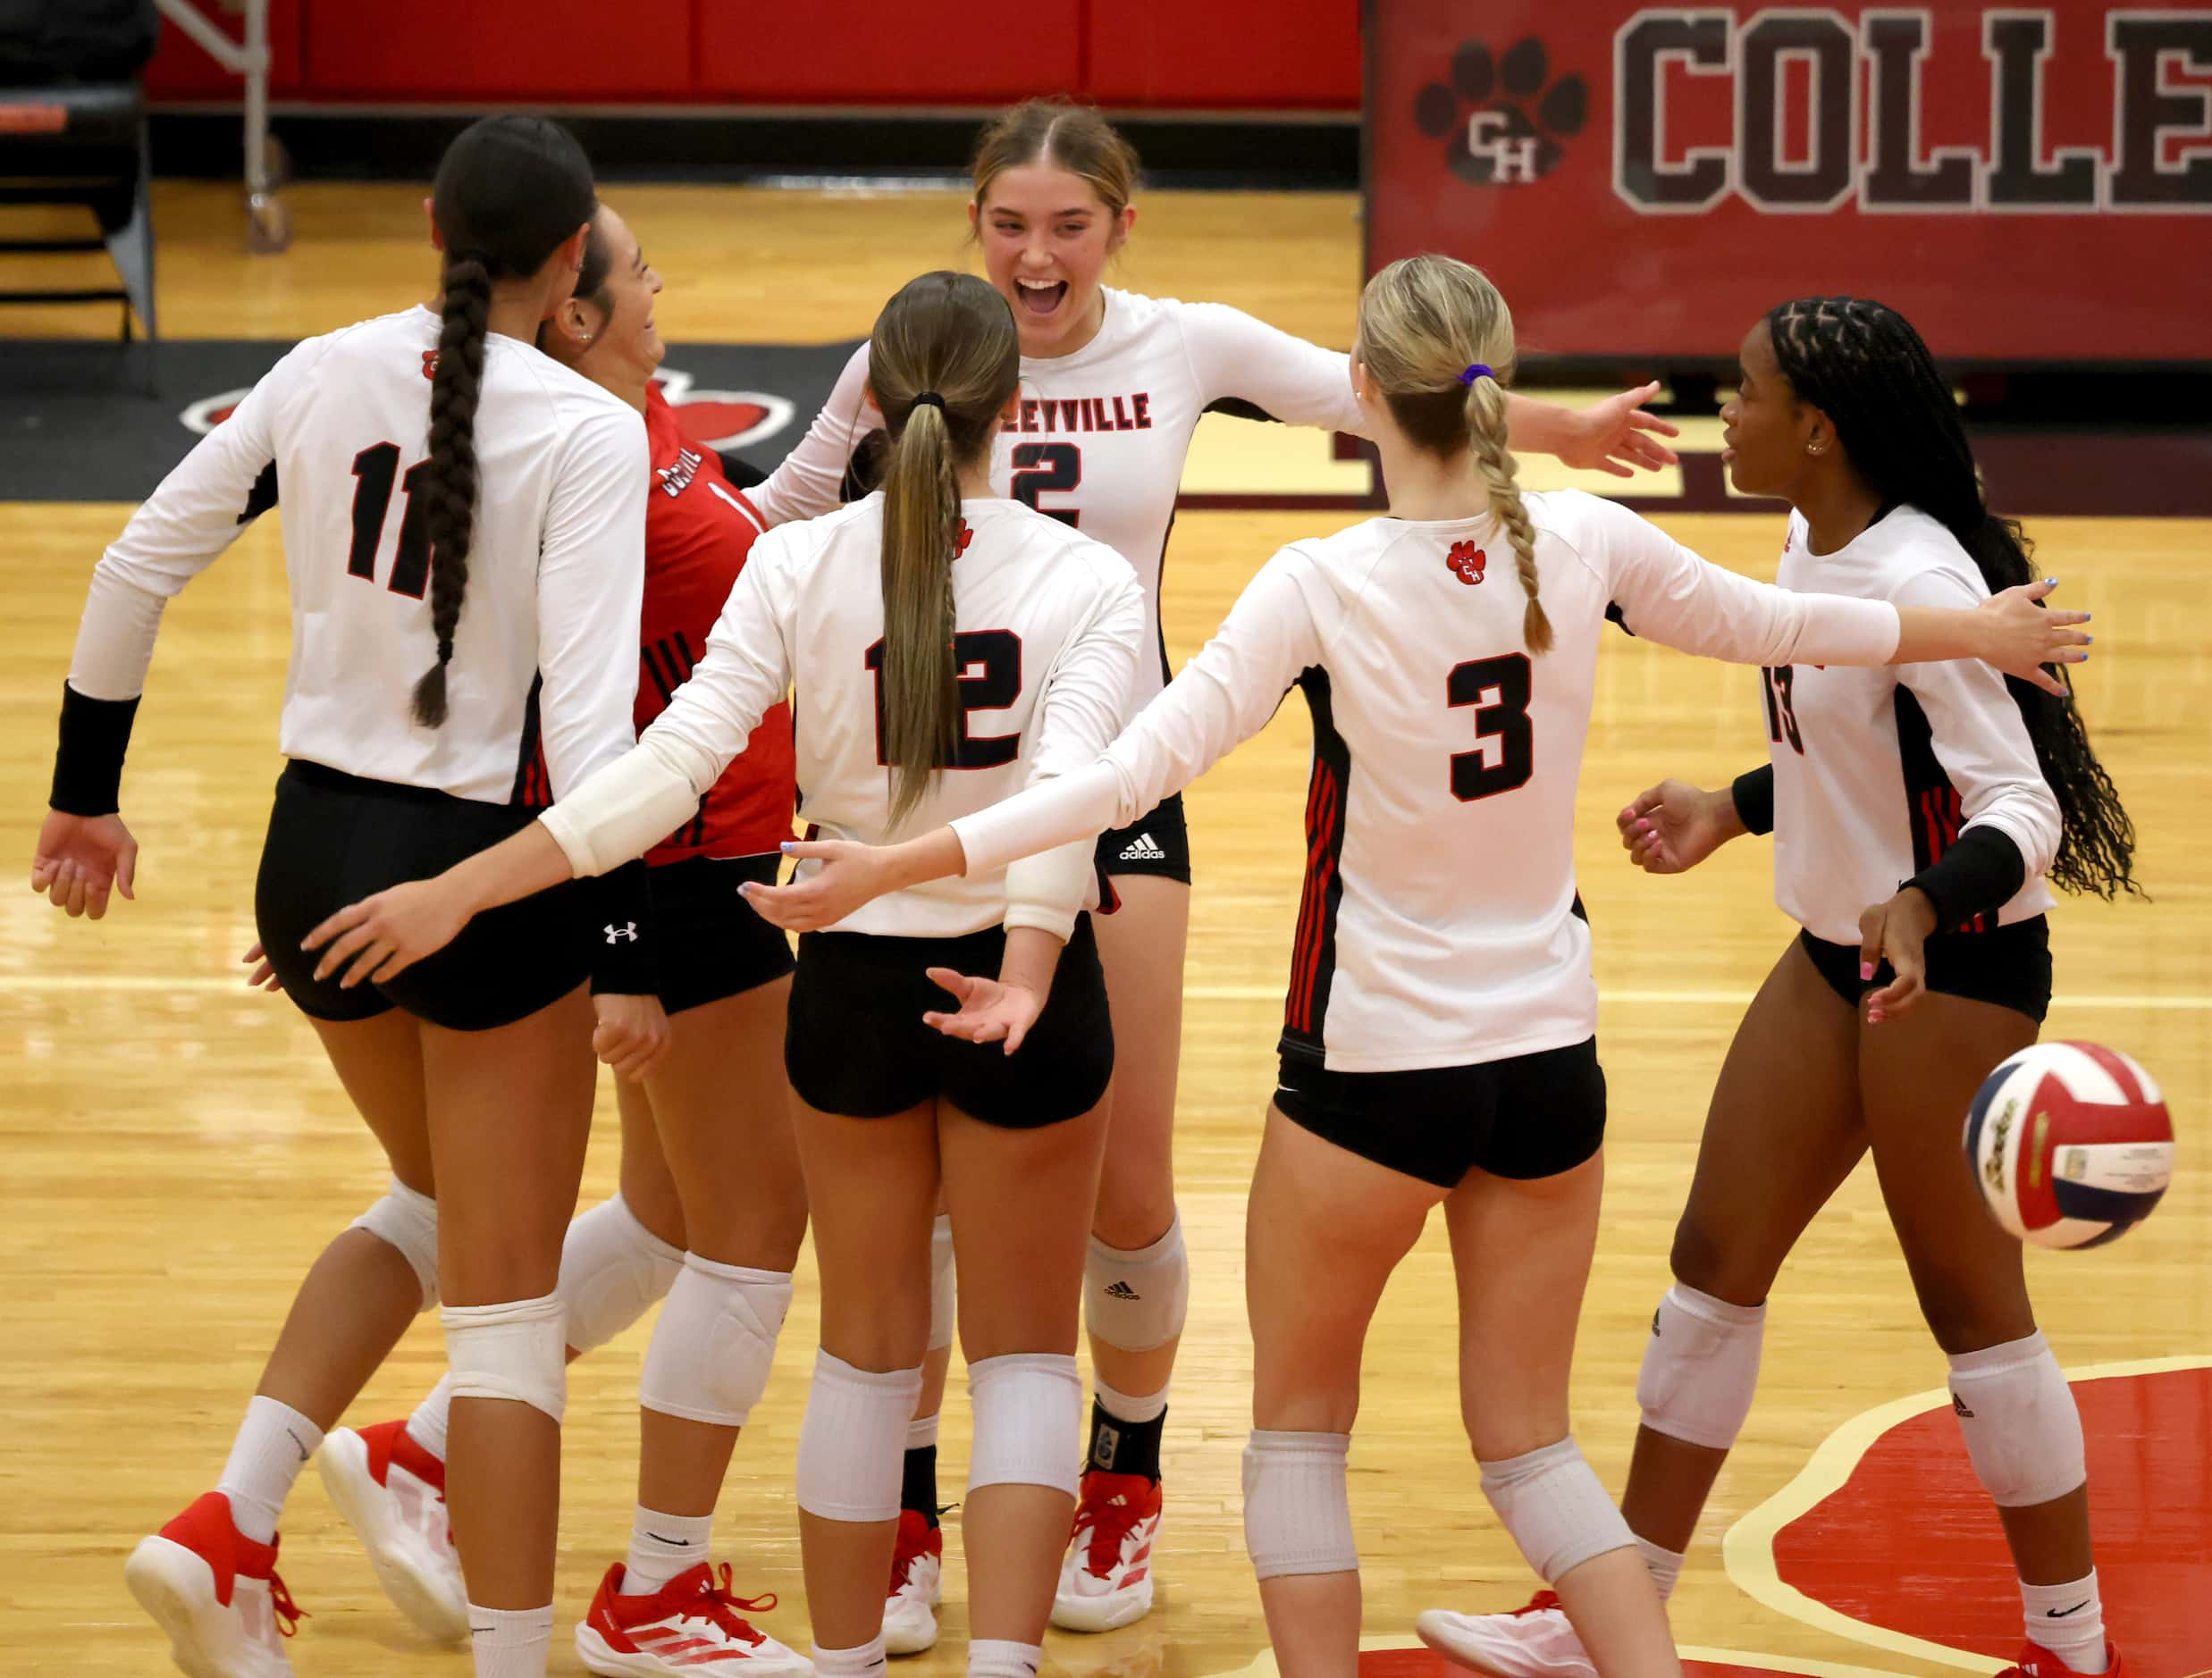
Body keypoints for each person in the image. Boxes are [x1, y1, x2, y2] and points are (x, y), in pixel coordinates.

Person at [733, 256, 2090, 1678]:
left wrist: (896, 863)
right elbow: (1789, 625)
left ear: (1363, 394)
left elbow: (1123, 773)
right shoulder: (1582, 539)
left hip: (1370, 1070)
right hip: (1547, 1066)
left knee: (1297, 1437)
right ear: (1492, 382)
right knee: (1533, 1447)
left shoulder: (1315, 581)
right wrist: (1975, 625)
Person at [744, 94, 1685, 1637]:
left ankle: (1124, 1469)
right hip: (908, 799)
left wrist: (1561, 430)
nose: (1034, 254)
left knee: (1117, 1173)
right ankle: (907, 1507)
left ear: (1122, 226)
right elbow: (780, 520)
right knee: (904, 1208)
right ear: (971, 228)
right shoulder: (906, 356)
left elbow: (1398, 391)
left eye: (1066, 224)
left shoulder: (1181, 344)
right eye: (1006, 224)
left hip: (1118, 775)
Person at [299, 270, 1148, 1678]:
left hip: (847, 999)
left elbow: (656, 775)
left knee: (864, 1356)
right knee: (1019, 1366)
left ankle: (842, 1663)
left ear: (871, 398)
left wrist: (465, 882)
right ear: (1018, 406)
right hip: (1021, 993)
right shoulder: (1089, 578)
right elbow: (1067, 800)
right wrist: (1024, 967)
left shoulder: (796, 562)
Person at [1416, 297, 2139, 1678]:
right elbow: (1846, 741)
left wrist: (1925, 904)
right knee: (1709, 1268)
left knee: (1971, 1309)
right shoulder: (1818, 534)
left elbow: (2017, 803)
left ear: (1813, 427)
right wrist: (1731, 808)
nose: (1719, 412)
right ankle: (1606, 1616)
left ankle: (2070, 1643)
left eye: (1739, 393)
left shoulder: (1917, 569)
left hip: (1956, 968)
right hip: (1836, 953)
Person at [31, 116, 666, 1678]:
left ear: (429, 230)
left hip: (310, 855)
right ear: (573, 263)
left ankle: (229, 1528)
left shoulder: (321, 364)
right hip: (477, 879)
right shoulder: (588, 435)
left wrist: (84, 796)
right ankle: (510, 1658)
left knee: (441, 1210)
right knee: (509, 1323)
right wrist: (630, 941)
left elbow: (130, 568)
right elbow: (594, 757)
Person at [293, 204, 813, 1675]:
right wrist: (629, 943)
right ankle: (654, 1591)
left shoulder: (614, 436)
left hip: (682, 867)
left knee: (663, 1222)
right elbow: (601, 728)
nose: (663, 283)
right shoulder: (592, 473)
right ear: (573, 311)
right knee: (752, 1234)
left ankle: (426, 1450)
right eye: (639, 269)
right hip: (691, 872)